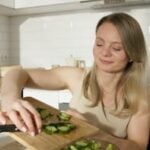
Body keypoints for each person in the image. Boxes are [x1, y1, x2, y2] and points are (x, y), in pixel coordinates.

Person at [0, 13, 149, 150]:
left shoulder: (141, 99)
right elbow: (18, 72)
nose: (104, 52)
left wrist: (94, 133)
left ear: (131, 54)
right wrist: (10, 99)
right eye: (99, 44)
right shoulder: (77, 77)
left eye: (116, 48)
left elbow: (137, 147)